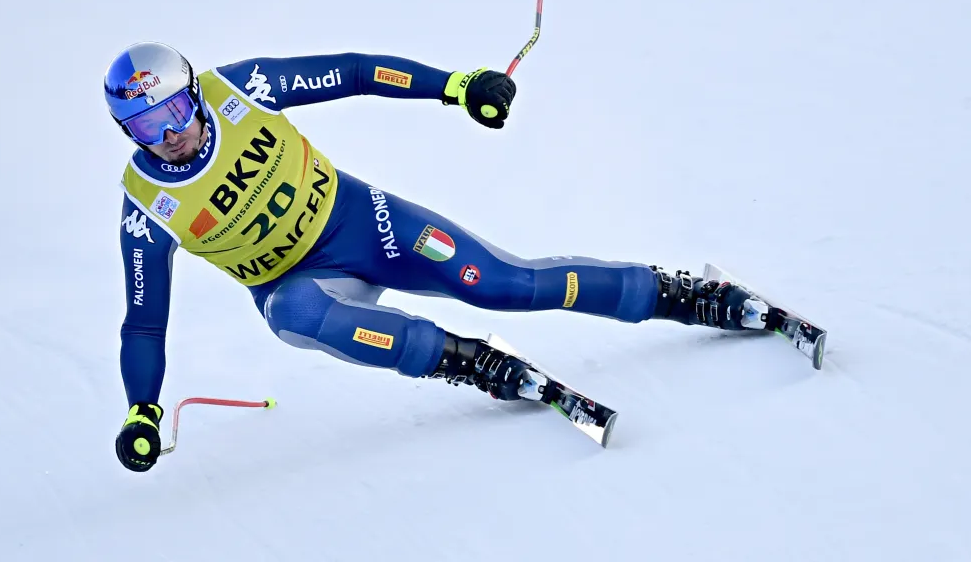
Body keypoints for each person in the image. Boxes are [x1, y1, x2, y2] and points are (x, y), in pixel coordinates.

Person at [105, 41, 767, 472]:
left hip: (367, 225)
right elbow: (143, 321)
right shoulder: (147, 205)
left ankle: (678, 294)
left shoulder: (241, 89)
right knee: (299, 315)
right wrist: (143, 408)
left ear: (193, 92)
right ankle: (466, 361)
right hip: (297, 282)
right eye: (143, 128)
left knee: (505, 283)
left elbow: (356, 73)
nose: (168, 136)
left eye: (173, 112)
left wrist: (456, 84)